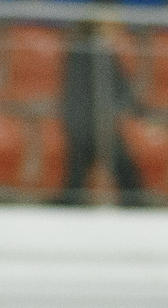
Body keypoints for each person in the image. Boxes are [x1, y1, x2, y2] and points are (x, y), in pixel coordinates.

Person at [57, 19, 144, 206]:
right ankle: (137, 204)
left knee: (80, 170)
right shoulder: (87, 53)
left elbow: (119, 88)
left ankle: (69, 202)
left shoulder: (94, 52)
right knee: (114, 166)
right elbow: (111, 89)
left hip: (93, 121)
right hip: (89, 122)